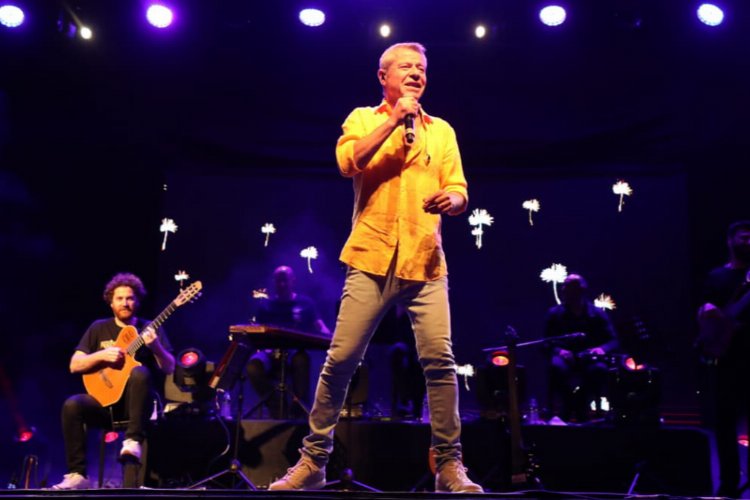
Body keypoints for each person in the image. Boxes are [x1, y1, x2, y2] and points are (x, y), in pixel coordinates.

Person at [269, 42, 483, 493]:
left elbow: (460, 188)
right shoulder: (363, 118)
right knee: (341, 359)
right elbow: (348, 162)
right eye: (406, 66)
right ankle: (313, 461)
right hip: (371, 256)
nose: (416, 73)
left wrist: (453, 200)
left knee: (440, 362)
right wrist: (394, 120)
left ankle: (449, 466)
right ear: (383, 76)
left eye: (421, 68)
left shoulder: (441, 131)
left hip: (426, 261)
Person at [51, 273, 174, 490]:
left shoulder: (149, 328)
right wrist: (101, 355)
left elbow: (170, 367)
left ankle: (132, 441)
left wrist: (155, 347)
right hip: (104, 404)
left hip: (136, 408)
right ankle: (77, 475)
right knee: (72, 405)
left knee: (140, 372)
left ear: (137, 301)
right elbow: (74, 365)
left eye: (130, 298)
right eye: (120, 298)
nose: (125, 303)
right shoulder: (98, 328)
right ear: (111, 302)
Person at [696, 220, 750, 498]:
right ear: (730, 241)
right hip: (726, 358)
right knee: (724, 422)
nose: (748, 242)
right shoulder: (716, 277)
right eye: (744, 237)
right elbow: (705, 312)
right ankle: (728, 483)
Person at [247, 265, 331, 418]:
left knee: (301, 359)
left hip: (295, 352)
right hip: (269, 353)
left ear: (293, 281)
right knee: (253, 366)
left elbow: (320, 326)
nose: (282, 284)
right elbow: (257, 330)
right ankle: (276, 406)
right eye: (278, 281)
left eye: (285, 280)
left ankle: (299, 410)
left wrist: (332, 338)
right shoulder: (265, 306)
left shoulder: (305, 303)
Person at [544, 274, 619, 422]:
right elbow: (545, 342)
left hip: (590, 359)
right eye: (564, 287)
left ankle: (585, 405)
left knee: (599, 370)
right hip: (565, 358)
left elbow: (614, 340)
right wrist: (560, 351)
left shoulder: (597, 314)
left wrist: (601, 349)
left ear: (581, 290)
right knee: (556, 367)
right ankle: (564, 407)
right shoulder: (554, 314)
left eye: (568, 287)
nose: (563, 290)